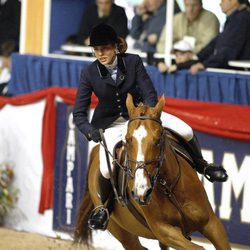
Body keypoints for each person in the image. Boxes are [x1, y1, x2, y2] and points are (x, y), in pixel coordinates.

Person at [73, 23, 228, 231]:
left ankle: (203, 165)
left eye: (106, 48)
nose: (101, 53)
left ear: (115, 47)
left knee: (186, 130)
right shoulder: (89, 73)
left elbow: (149, 92)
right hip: (111, 124)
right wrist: (90, 131)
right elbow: (79, 113)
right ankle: (104, 208)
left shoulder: (133, 61)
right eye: (97, 50)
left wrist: (149, 115)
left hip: (141, 116)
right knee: (105, 166)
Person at [190, 0, 250, 74]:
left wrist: (205, 64)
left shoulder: (241, 19)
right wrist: (196, 57)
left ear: (234, 1)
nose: (220, 4)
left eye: (223, 0)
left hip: (240, 74)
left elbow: (228, 49)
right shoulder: (235, 19)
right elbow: (217, 41)